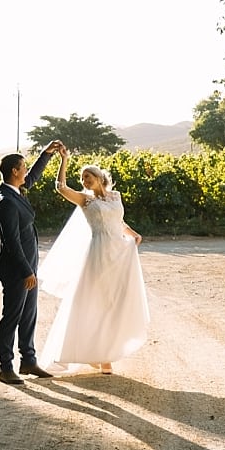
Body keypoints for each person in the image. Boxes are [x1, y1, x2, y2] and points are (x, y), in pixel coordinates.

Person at [36, 151, 150, 374]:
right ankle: (100, 356)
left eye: (88, 177)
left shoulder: (115, 196)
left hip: (118, 250)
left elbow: (118, 221)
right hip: (98, 252)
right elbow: (61, 187)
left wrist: (133, 233)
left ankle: (105, 352)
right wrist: (64, 161)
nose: (84, 181)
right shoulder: (85, 200)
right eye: (82, 179)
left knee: (115, 302)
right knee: (97, 301)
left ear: (99, 178)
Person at [0, 140, 67, 385]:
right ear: (14, 171)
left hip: (29, 266)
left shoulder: (15, 191)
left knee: (28, 315)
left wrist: (46, 154)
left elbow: (33, 177)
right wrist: (26, 271)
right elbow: (11, 242)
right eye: (23, 167)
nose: (26, 171)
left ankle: (29, 361)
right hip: (17, 269)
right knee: (12, 317)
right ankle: (6, 367)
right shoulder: (5, 201)